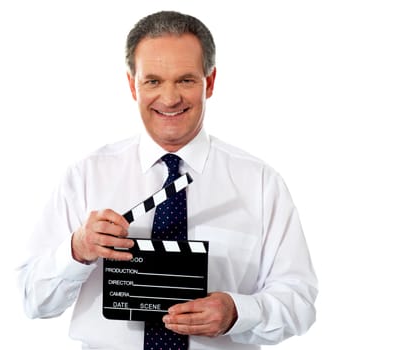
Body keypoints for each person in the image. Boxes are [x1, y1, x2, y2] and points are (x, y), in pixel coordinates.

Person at [18, 10, 318, 350]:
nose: (170, 98)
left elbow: (300, 303)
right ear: (133, 84)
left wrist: (238, 312)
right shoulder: (86, 177)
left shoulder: (260, 183)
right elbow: (33, 299)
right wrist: (77, 250)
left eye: (186, 80)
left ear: (211, 81)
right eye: (153, 81)